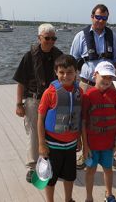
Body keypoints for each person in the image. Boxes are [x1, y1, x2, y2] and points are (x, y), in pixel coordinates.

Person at [70, 3, 116, 170]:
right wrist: (73, 82)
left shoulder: (112, 36)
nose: (101, 20)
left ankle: (110, 152)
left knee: (109, 117)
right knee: (82, 118)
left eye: (104, 18)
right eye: (98, 17)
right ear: (92, 16)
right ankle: (83, 153)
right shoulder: (81, 36)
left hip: (108, 84)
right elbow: (72, 59)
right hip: (87, 83)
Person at [13, 23, 63, 183]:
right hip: (34, 100)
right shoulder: (29, 56)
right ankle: (32, 166)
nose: (50, 41)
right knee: (34, 133)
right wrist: (19, 104)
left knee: (53, 132)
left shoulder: (59, 56)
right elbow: (21, 82)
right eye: (47, 38)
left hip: (54, 100)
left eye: (53, 38)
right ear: (39, 38)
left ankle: (51, 162)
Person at [37, 54, 82, 202]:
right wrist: (42, 143)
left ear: (76, 72)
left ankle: (68, 199)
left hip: (71, 145)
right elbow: (40, 119)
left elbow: (79, 117)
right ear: (56, 72)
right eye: (61, 72)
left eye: (70, 72)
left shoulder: (79, 92)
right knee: (50, 177)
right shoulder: (49, 93)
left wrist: (79, 139)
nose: (65, 76)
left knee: (70, 176)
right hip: (52, 144)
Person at [82, 61, 116, 202]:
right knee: (90, 171)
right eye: (104, 76)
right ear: (95, 75)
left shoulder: (115, 96)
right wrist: (85, 145)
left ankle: (109, 194)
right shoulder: (87, 96)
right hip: (92, 145)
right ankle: (89, 197)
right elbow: (82, 122)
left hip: (108, 144)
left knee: (108, 169)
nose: (107, 80)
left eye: (110, 78)